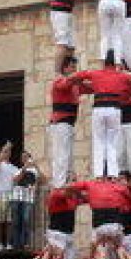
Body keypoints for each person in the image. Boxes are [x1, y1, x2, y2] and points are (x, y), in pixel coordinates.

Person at [68, 53, 131, 178]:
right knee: (112, 142)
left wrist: (81, 83)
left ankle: (98, 174)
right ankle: (113, 173)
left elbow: (75, 76)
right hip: (114, 109)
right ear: (115, 63)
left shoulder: (95, 73)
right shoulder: (121, 75)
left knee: (99, 141)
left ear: (104, 63)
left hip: (99, 108)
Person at [50, 55, 84, 188]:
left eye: (75, 67)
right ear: (65, 68)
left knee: (68, 155)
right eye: (72, 66)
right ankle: (59, 184)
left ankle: (67, 181)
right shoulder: (60, 81)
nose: (74, 69)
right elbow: (65, 85)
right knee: (61, 154)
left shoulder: (74, 85)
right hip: (60, 123)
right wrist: (78, 77)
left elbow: (87, 86)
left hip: (69, 124)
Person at [50, 0, 88, 73]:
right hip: (60, 12)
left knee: (71, 47)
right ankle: (57, 74)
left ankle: (68, 71)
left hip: (68, 13)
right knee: (62, 43)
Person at [45, 181, 81, 259]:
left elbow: (85, 199)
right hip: (57, 232)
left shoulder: (72, 198)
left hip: (69, 233)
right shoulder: (56, 195)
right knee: (57, 257)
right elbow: (66, 192)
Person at [0, 141, 22, 250]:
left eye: (9, 151)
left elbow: (18, 178)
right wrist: (5, 148)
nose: (7, 153)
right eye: (5, 151)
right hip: (0, 196)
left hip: (10, 195)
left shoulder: (13, 167)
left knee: (9, 222)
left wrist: (25, 168)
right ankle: (0, 244)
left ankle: (8, 243)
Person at [12, 152, 39, 250]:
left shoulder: (35, 171)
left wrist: (37, 167)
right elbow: (15, 180)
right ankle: (16, 244)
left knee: (26, 220)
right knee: (16, 221)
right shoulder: (18, 170)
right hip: (17, 198)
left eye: (26, 157)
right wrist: (24, 168)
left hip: (28, 199)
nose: (24, 159)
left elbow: (43, 180)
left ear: (30, 158)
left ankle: (25, 243)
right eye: (22, 157)